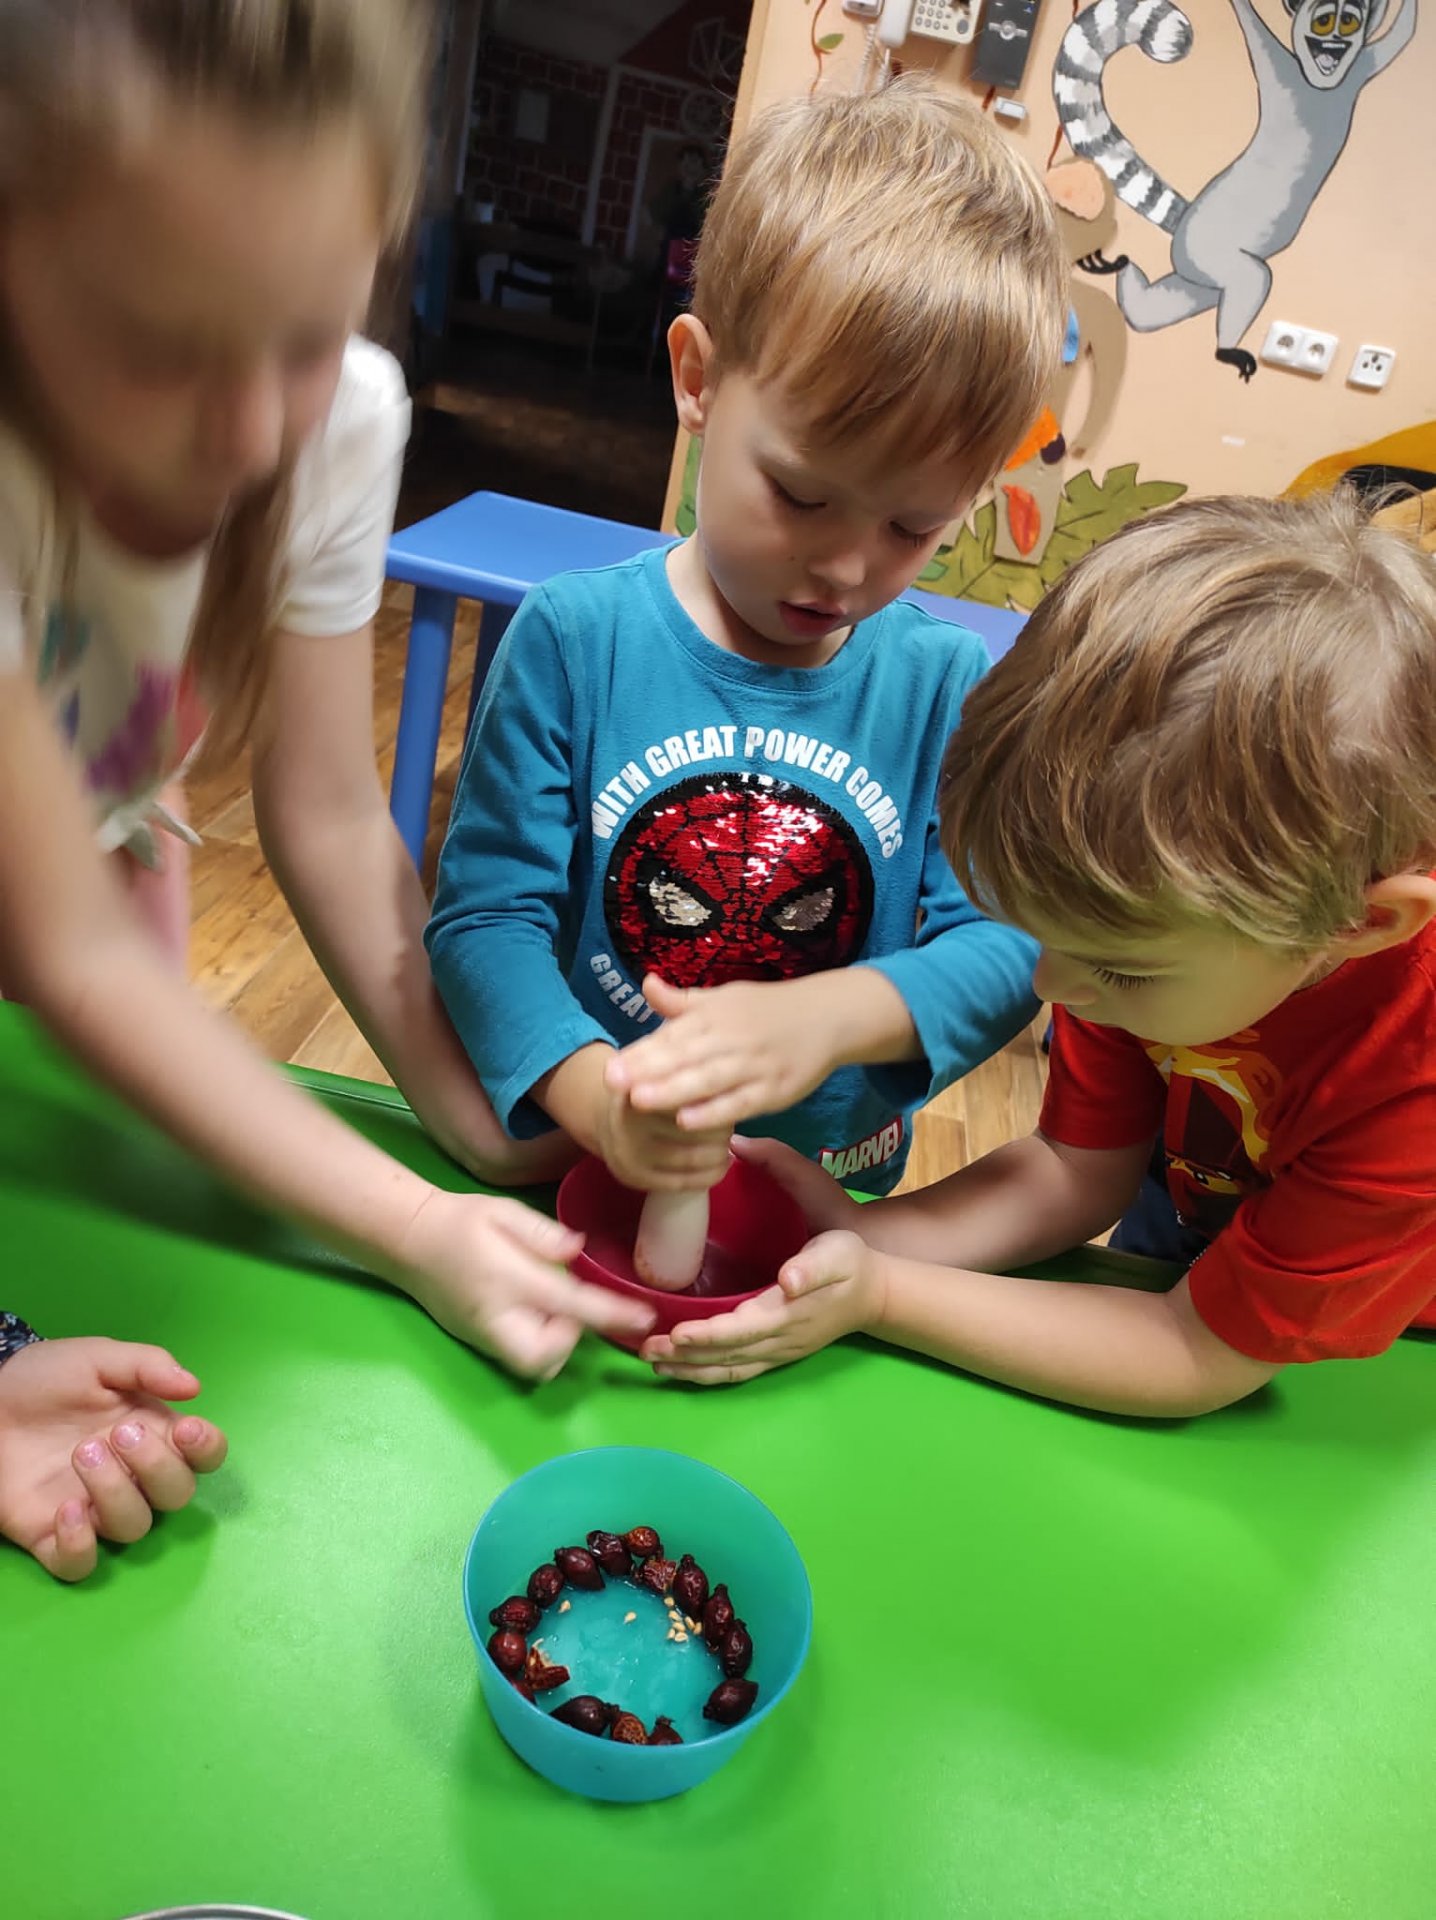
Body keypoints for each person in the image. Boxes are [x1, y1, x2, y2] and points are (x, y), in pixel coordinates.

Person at [0, 0, 647, 1582]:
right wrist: (409, 1229)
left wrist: (484, 1119)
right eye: (157, 347)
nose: (244, 432)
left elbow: (329, 815)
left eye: (303, 335)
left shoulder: (339, 418)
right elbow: (64, 954)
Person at [640, 494, 1436, 1416]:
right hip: (1210, 1193)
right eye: (1048, 938)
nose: (1050, 984)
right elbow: (1074, 1169)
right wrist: (856, 1235)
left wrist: (883, 1294)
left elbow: (1193, 1353)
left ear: (1365, 923)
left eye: (1119, 968)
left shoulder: (1410, 1082)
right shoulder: (1152, 939)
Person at [426, 79, 1066, 1205]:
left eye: (913, 527)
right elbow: (486, 921)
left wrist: (834, 1018)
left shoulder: (943, 686)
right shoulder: (574, 640)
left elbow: (1010, 947)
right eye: (802, 496)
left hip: (823, 1199)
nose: (847, 568)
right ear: (698, 381)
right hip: (579, 1166)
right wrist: (595, 1098)